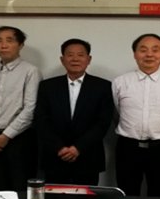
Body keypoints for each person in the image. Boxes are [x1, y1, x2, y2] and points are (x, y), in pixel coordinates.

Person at [112, 33, 160, 196]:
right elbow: (117, 113)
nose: (149, 54)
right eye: (143, 50)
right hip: (128, 148)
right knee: (127, 195)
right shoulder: (120, 82)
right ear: (135, 54)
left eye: (155, 50)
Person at [35, 38, 113, 185]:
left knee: (86, 198)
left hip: (88, 156)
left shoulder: (103, 86)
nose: (75, 59)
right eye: (70, 55)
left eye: (80, 55)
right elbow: (41, 120)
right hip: (55, 156)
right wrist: (59, 147)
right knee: (55, 198)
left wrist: (78, 148)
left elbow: (103, 123)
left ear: (89, 59)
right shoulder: (47, 86)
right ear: (62, 59)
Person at [0, 26, 41, 191]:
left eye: (10, 40)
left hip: (21, 137)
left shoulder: (30, 71)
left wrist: (7, 135)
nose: (3, 45)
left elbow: (30, 108)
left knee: (20, 187)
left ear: (20, 45)